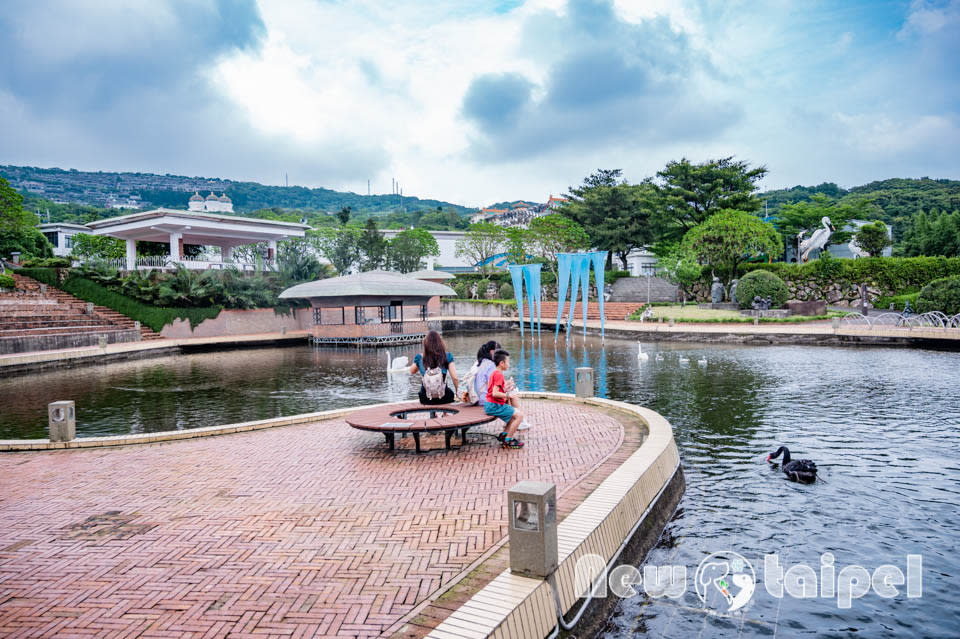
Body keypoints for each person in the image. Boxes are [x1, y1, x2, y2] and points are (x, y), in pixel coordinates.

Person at [471, 340, 531, 431]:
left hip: (480, 397)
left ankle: (513, 421)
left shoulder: (481, 362)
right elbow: (494, 390)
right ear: (492, 352)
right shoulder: (491, 365)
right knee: (512, 392)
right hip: (487, 400)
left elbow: (491, 383)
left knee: (509, 392)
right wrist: (508, 388)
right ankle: (519, 421)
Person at [485, 349, 524, 449]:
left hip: (490, 404)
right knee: (519, 416)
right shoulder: (499, 375)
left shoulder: (495, 373)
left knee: (513, 416)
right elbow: (494, 393)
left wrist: (506, 387)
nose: (509, 365)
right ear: (501, 363)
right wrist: (508, 395)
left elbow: (493, 390)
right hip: (494, 405)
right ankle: (508, 440)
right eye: (508, 362)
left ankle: (504, 435)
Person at [409, 330, 459, 404]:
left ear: (425, 344)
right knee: (449, 393)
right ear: (440, 343)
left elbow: (411, 371)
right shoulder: (447, 356)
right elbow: (455, 378)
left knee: (423, 392)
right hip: (444, 397)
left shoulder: (420, 357)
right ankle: (444, 414)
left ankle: (434, 414)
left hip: (425, 398)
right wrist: (457, 393)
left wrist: (419, 363)